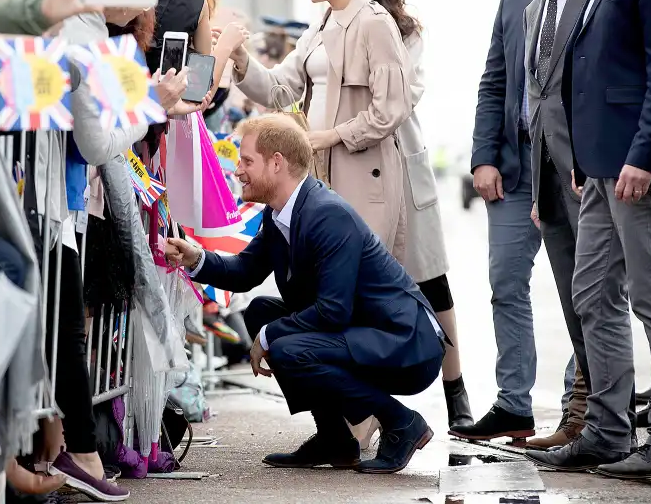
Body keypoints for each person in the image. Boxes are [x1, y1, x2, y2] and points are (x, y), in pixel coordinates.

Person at [165, 114, 447, 474]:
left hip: (406, 342)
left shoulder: (327, 214)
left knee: (285, 344)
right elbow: (245, 272)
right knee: (261, 314)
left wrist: (267, 338)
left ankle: (402, 422)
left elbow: (333, 311)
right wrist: (196, 258)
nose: (237, 171)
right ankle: (334, 439)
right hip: (366, 330)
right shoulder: (279, 213)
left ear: (277, 162)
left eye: (247, 161)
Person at [527, 0, 651, 478]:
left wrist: (645, 154)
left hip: (635, 166)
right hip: (601, 166)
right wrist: (583, 157)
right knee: (592, 294)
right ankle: (607, 431)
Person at [213, 0, 413, 264]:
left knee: (357, 280)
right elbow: (279, 89)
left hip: (363, 176)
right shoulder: (319, 28)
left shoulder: (375, 23)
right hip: (319, 172)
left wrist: (331, 137)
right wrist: (241, 58)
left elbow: (391, 110)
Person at [357, 0, 472, 434]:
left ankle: (456, 389)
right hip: (349, 168)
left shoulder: (405, 32)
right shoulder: (325, 29)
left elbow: (402, 98)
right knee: (361, 288)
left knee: (432, 281)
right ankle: (367, 409)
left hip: (402, 164)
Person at [511, 0, 599, 451]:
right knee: (573, 299)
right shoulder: (531, 9)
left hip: (596, 175)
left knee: (606, 302)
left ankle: (603, 416)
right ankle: (582, 415)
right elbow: (536, 98)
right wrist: (539, 184)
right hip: (551, 181)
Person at [455, 0, 546, 442]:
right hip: (513, 172)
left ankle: (590, 406)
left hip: (570, 170)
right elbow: (493, 83)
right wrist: (483, 156)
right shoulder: (512, 0)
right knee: (506, 286)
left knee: (591, 293)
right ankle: (515, 404)